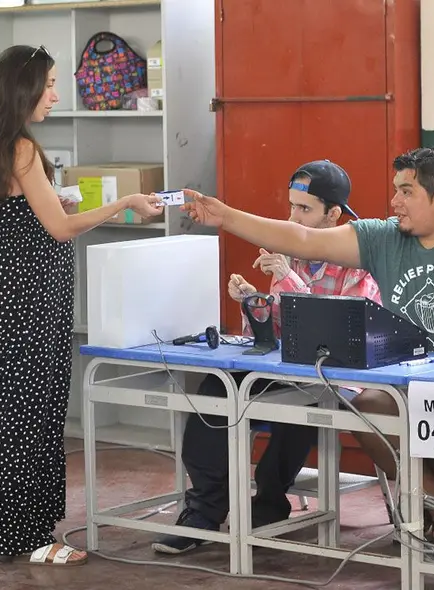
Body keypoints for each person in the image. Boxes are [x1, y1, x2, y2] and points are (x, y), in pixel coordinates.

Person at [180, 146, 434, 544]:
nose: (394, 201)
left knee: (413, 435)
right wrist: (226, 217)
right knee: (365, 406)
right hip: (410, 386)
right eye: (395, 190)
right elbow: (302, 238)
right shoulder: (383, 237)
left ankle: (426, 505)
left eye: (406, 192)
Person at [0, 44, 163, 567]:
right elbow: (60, 228)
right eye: (48, 85)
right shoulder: (22, 148)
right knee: (33, 413)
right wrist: (123, 202)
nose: (55, 94)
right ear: (23, 88)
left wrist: (43, 196)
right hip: (29, 300)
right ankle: (31, 537)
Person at [152, 160, 381, 555]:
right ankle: (203, 511)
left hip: (332, 375)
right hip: (283, 365)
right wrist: (253, 304)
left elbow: (339, 332)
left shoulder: (361, 257)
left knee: (299, 411)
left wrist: (288, 281)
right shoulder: (287, 250)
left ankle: (270, 506)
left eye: (304, 209)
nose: (292, 218)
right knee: (214, 394)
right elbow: (276, 329)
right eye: (291, 206)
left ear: (334, 214)